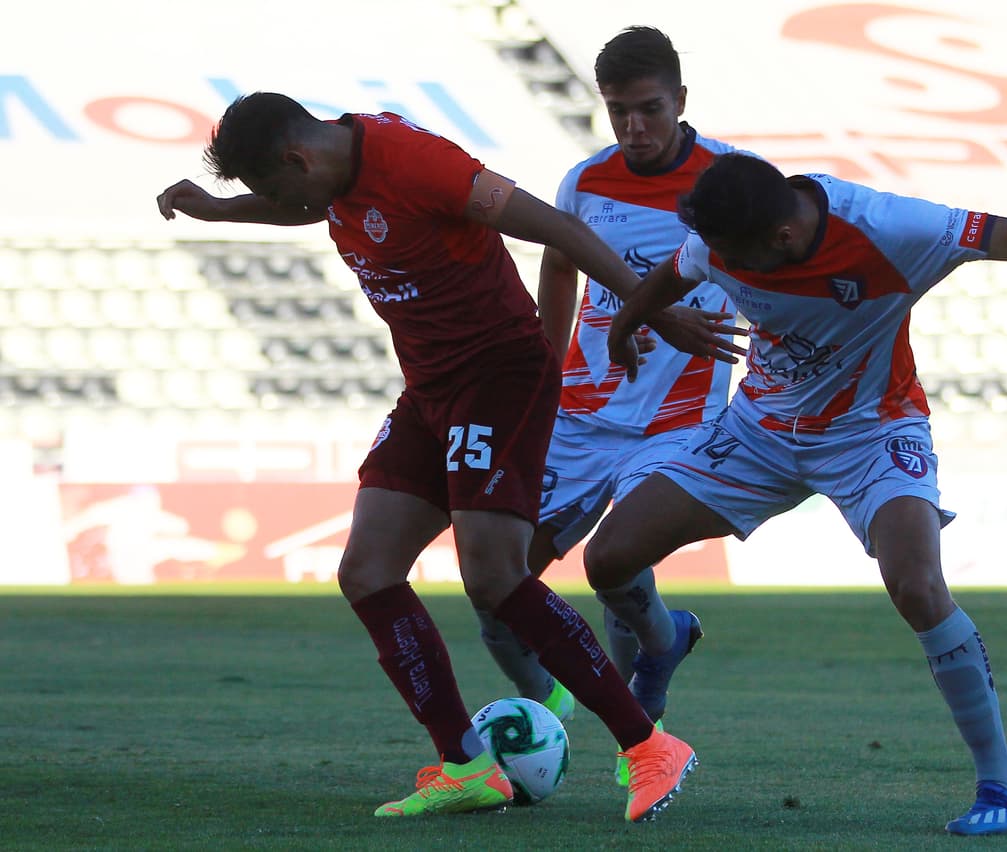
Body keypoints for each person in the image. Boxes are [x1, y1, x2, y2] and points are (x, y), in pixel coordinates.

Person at [154, 92, 739, 822]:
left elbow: (554, 226)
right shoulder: (326, 178)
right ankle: (465, 765)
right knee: (367, 571)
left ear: (298, 158)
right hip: (430, 389)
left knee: (494, 574)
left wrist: (648, 307)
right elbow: (306, 208)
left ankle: (647, 746)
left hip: (500, 375)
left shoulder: (416, 160)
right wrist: (221, 212)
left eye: (272, 188)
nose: (282, 203)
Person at [589, 152, 1007, 835]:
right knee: (609, 557)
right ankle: (663, 640)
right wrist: (624, 328)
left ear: (783, 239)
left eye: (732, 253)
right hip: (759, 429)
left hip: (872, 432)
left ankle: (1003, 788)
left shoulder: (890, 230)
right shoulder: (725, 233)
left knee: (917, 587)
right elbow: (670, 276)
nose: (719, 262)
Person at [470, 26, 743, 783]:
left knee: (614, 562)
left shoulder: (730, 181)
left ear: (680, 100)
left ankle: (647, 690)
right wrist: (546, 371)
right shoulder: (585, 182)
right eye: (618, 111)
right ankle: (548, 714)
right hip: (582, 416)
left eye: (649, 109)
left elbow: (780, 274)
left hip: (678, 420)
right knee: (494, 589)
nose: (634, 127)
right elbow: (558, 267)